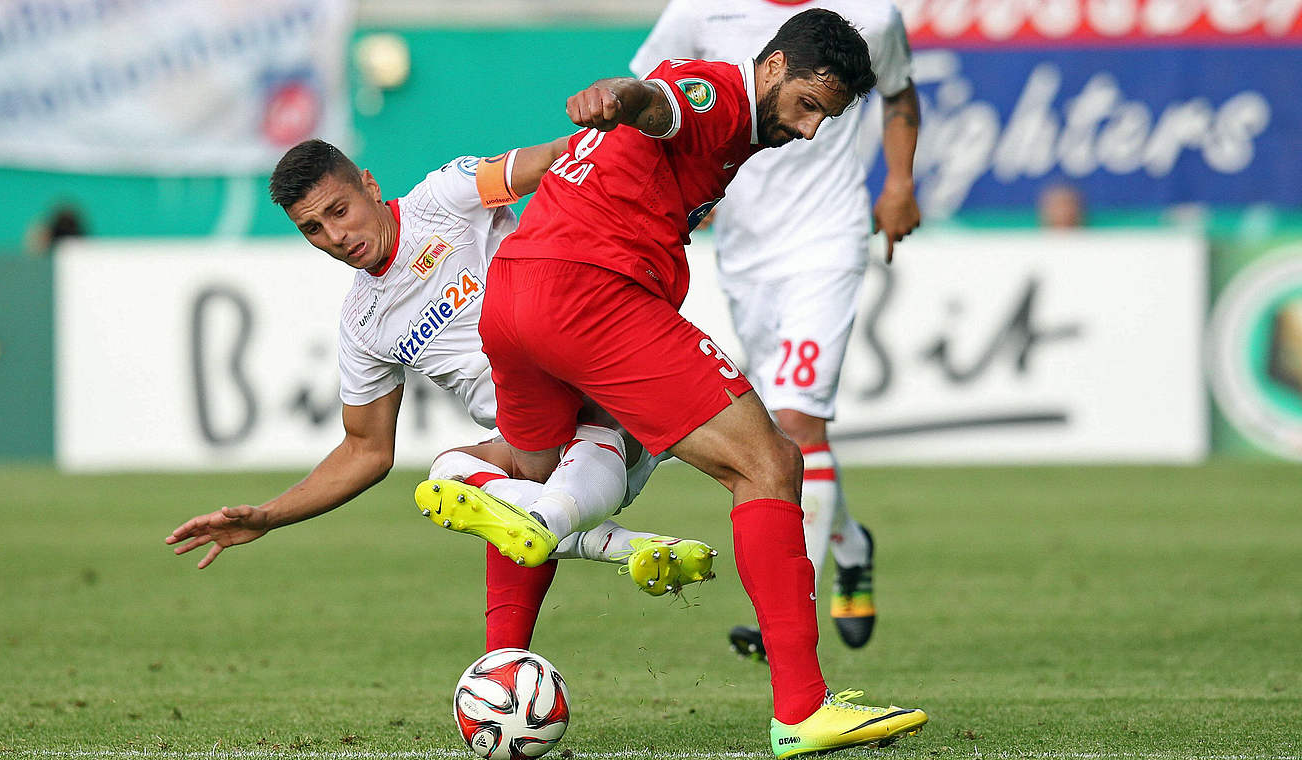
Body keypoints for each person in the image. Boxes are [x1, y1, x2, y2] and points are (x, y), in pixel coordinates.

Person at [412, 9, 927, 757]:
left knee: (538, 473)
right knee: (770, 462)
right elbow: (660, 101)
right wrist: (617, 99)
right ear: (774, 67)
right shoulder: (718, 92)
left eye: (830, 117)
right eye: (808, 105)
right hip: (595, 295)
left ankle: (500, 676)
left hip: (515, 294)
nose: (812, 131)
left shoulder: (747, 128)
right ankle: (804, 708)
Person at [164, 138, 718, 655]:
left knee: (504, 495)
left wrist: (671, 196)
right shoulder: (364, 324)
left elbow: (560, 158)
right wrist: (267, 516)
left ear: (370, 186)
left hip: (608, 401)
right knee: (451, 476)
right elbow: (366, 451)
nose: (335, 236)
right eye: (312, 229)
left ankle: (580, 543)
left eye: (339, 211)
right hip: (541, 450)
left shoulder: (444, 198)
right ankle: (593, 571)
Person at [630, 0, 922, 658]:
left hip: (828, 239)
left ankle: (788, 616)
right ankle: (849, 542)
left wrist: (898, 182)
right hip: (743, 248)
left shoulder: (872, 17)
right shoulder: (700, 9)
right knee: (785, 431)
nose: (814, 126)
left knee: (795, 423)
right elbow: (654, 98)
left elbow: (901, 95)